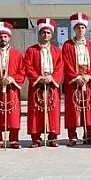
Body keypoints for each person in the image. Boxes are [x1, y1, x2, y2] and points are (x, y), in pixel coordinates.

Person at [0, 21, 25, 150]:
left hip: (12, 88)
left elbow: (22, 70)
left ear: (9, 37)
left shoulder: (17, 55)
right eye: (0, 36)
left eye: (5, 36)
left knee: (13, 114)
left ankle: (13, 139)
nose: (3, 39)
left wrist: (12, 78)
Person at [24, 18, 63, 148]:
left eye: (48, 33)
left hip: (52, 84)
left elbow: (60, 66)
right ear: (39, 34)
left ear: (51, 35)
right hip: (37, 85)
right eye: (43, 32)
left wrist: (52, 78)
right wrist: (39, 78)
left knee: (53, 111)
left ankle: (52, 137)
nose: (45, 35)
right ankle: (36, 137)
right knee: (36, 112)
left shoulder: (57, 51)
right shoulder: (31, 50)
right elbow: (28, 66)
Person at [62, 12, 91, 146]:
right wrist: (76, 77)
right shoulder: (67, 45)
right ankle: (72, 136)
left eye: (82, 28)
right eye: (78, 28)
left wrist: (88, 76)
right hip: (74, 81)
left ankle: (88, 135)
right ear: (74, 29)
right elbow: (65, 63)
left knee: (88, 108)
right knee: (73, 109)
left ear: (86, 29)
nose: (80, 30)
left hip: (88, 82)